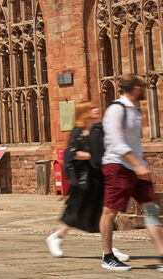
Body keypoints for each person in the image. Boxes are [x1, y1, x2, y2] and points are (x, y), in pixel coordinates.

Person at [46, 101, 128, 261]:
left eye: (96, 107)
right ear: (85, 112)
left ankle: (109, 249)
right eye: (93, 108)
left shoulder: (98, 129)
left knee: (100, 213)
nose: (97, 109)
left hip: (96, 177)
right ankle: (56, 237)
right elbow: (70, 154)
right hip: (82, 179)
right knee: (76, 212)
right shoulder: (78, 131)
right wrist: (92, 156)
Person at [99, 74, 163, 271]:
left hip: (137, 168)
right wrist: (139, 165)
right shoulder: (116, 110)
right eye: (143, 85)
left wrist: (141, 164)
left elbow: (133, 143)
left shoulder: (134, 109)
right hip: (117, 166)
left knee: (151, 209)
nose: (146, 88)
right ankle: (107, 256)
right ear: (136, 88)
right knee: (110, 211)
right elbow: (116, 143)